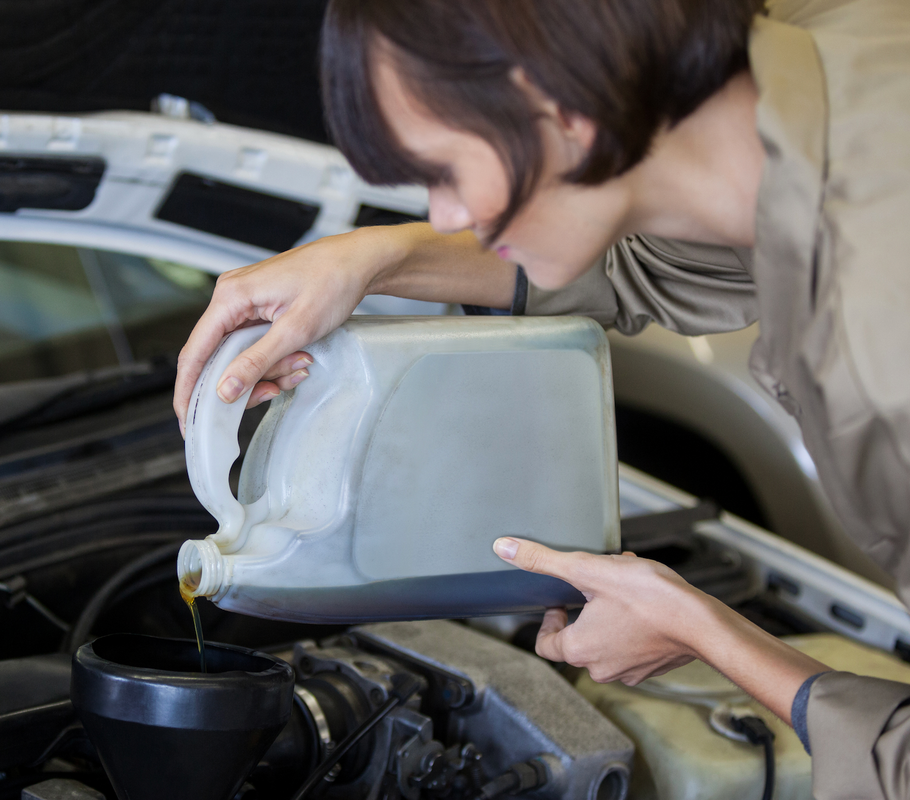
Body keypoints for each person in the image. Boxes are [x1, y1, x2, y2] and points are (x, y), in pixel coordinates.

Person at [172, 0, 910, 794]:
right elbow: (647, 258)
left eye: (443, 172)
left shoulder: (878, 355)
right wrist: (371, 260)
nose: (443, 217)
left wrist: (705, 631)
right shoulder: (831, 47)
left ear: (562, 103)